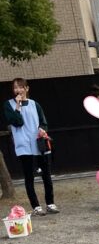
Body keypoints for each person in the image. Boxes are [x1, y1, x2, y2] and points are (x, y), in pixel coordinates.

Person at [4, 78, 59, 215]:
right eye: (15, 87)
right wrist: (18, 106)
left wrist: (42, 129)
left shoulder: (35, 104)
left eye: (20, 87)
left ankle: (50, 203)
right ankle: (36, 206)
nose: (18, 90)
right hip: (23, 145)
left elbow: (43, 122)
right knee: (29, 176)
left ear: (27, 88)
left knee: (46, 175)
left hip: (38, 143)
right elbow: (17, 122)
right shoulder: (9, 105)